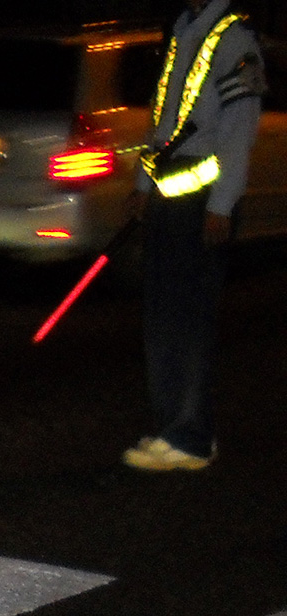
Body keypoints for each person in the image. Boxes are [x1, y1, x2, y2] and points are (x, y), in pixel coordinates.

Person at [122, 0, 266, 472]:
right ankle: (173, 428)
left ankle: (191, 437)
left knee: (189, 321)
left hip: (202, 204)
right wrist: (144, 186)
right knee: (163, 317)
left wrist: (222, 205)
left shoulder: (234, 39)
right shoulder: (182, 31)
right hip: (169, 198)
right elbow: (163, 120)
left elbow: (238, 131)